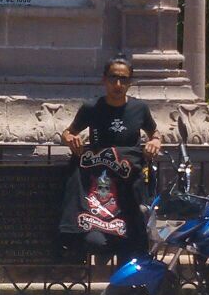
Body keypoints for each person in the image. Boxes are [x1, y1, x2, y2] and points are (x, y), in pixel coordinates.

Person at [59, 55, 162, 260]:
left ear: (130, 82)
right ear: (104, 79)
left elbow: (155, 133)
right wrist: (71, 139)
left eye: (123, 79)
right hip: (98, 185)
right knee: (95, 241)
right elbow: (68, 132)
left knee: (132, 239)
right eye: (113, 78)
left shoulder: (140, 108)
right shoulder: (91, 107)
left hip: (128, 186)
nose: (118, 84)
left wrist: (156, 141)